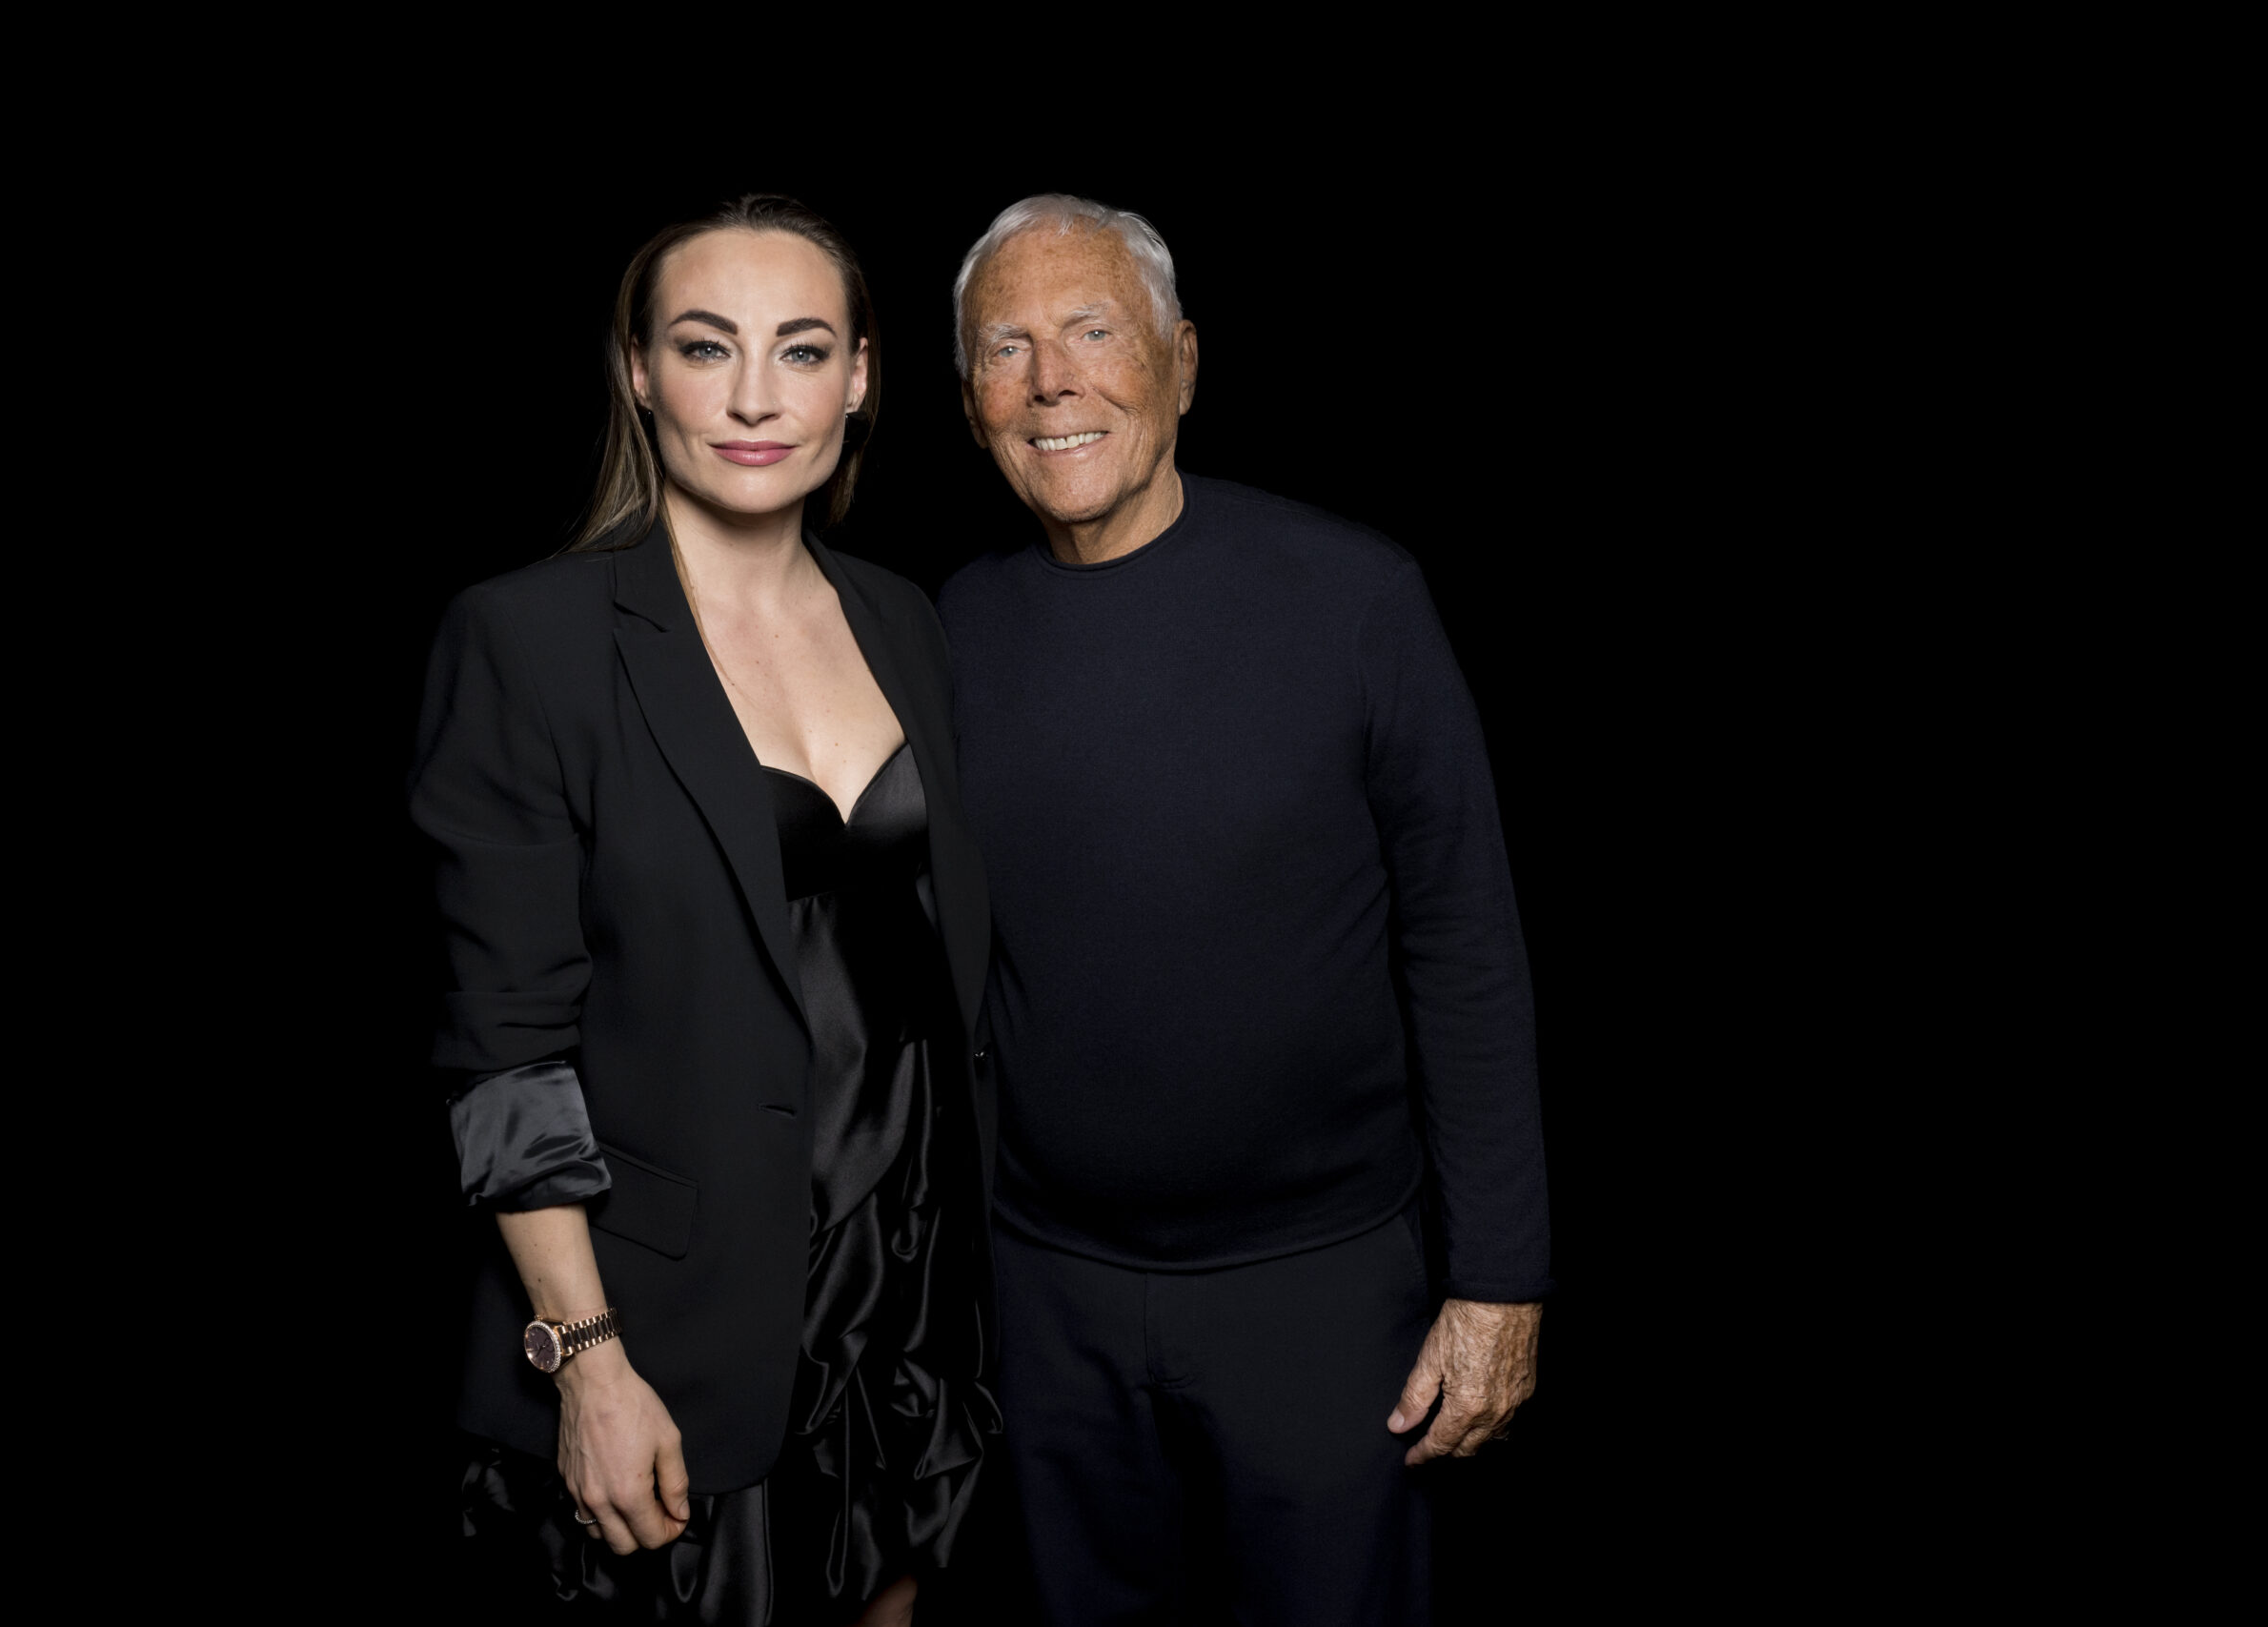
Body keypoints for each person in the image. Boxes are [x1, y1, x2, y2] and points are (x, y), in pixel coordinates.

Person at [934, 193, 1553, 1624]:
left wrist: (1502, 1282)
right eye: (1006, 349)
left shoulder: (1356, 600)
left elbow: (1465, 946)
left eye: (1093, 330)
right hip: (1047, 1295)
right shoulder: (945, 630)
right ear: (970, 404)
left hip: (1324, 1293)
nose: (1052, 382)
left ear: (1183, 361)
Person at [411, 194, 999, 1625]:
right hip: (669, 1326)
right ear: (637, 370)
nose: (752, 399)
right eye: (703, 346)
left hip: (907, 1291)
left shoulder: (906, 619)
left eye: (800, 350)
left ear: (858, 378)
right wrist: (588, 1361)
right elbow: (504, 1054)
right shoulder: (530, 637)